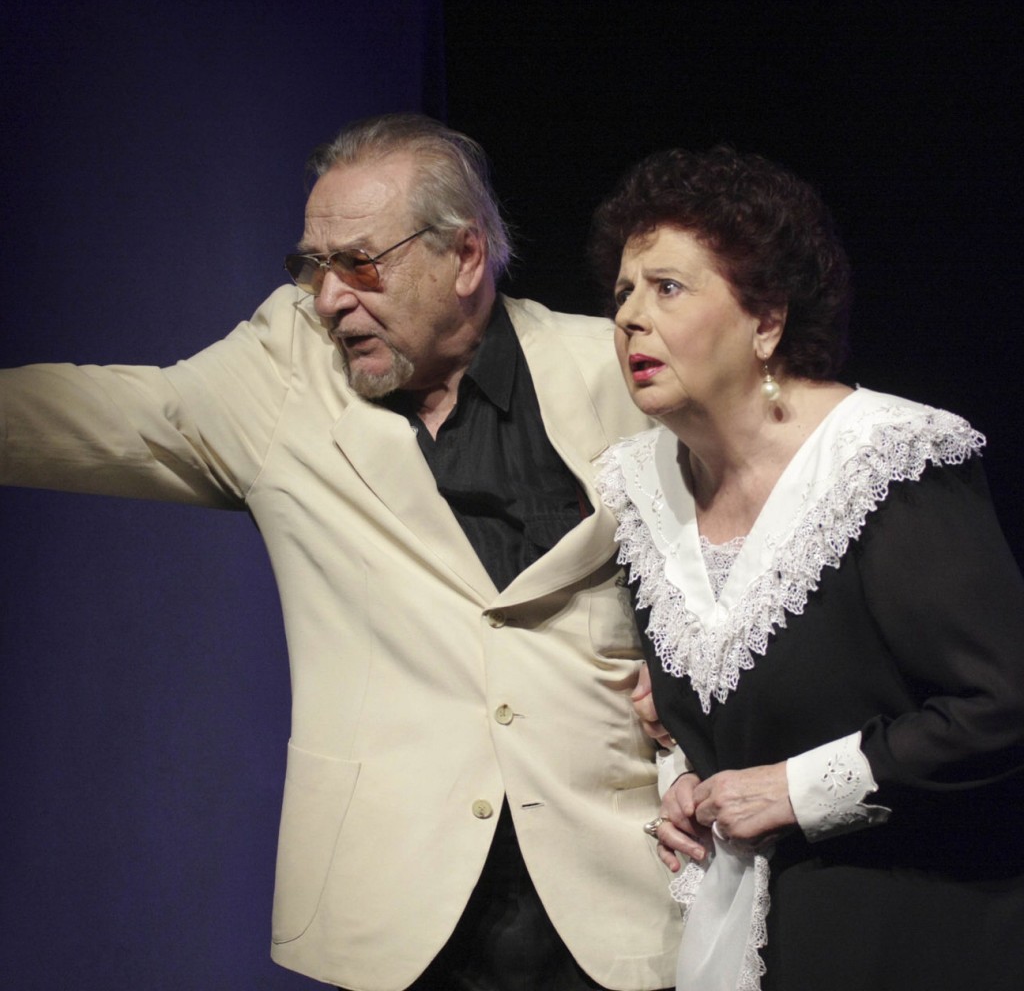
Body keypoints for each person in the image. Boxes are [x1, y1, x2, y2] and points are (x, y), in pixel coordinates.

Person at [0, 114, 681, 991]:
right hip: (394, 899)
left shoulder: (612, 371)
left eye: (359, 263)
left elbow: (754, 522)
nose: (327, 299)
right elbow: (100, 419)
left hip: (610, 891)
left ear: (465, 255)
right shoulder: (284, 373)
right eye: (312, 266)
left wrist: (682, 666)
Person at [589, 146, 1024, 991]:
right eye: (623, 293)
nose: (631, 318)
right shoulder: (641, 488)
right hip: (751, 935)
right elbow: (716, 718)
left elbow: (1002, 705)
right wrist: (688, 784)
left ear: (767, 322)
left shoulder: (885, 460)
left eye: (667, 288)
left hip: (923, 924)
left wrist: (800, 790)